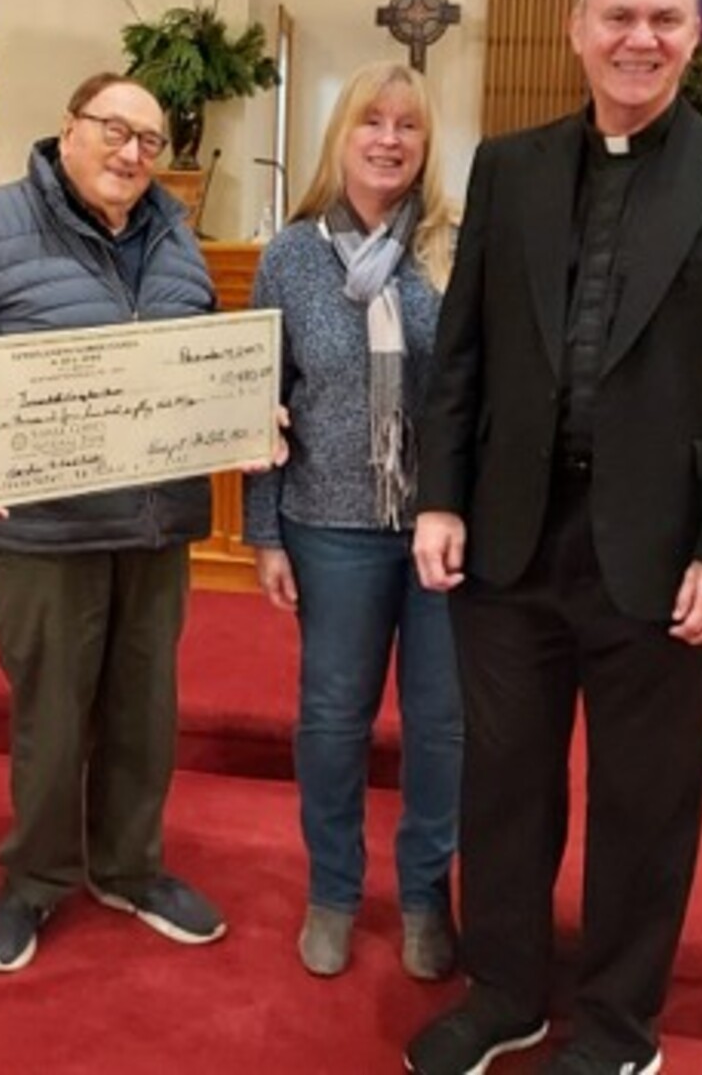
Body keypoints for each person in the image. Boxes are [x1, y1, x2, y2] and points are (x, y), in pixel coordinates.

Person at [405, 0, 702, 1075]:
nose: (641, 38)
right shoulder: (511, 165)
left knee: (645, 801)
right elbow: (464, 353)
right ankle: (507, 990)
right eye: (621, 16)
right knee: (503, 783)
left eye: (666, 20)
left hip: (665, 548)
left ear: (696, 36)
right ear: (579, 29)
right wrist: (442, 495)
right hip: (509, 536)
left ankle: (621, 1025)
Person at [0, 73, 226, 973]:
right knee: (52, 714)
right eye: (114, 131)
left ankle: (129, 865)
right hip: (46, 523)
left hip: (156, 521)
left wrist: (245, 406)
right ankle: (36, 877)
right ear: (68, 128)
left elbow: (202, 353)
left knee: (145, 707)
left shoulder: (174, 234)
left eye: (149, 141)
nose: (131, 154)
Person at [243, 61, 461, 982]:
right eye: (371, 121)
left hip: (445, 530)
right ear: (342, 135)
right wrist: (263, 532)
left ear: (426, 143)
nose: (388, 139)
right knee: (333, 719)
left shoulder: (456, 249)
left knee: (442, 722)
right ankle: (334, 889)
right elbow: (260, 406)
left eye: (407, 126)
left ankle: (424, 897)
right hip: (329, 523)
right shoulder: (290, 256)